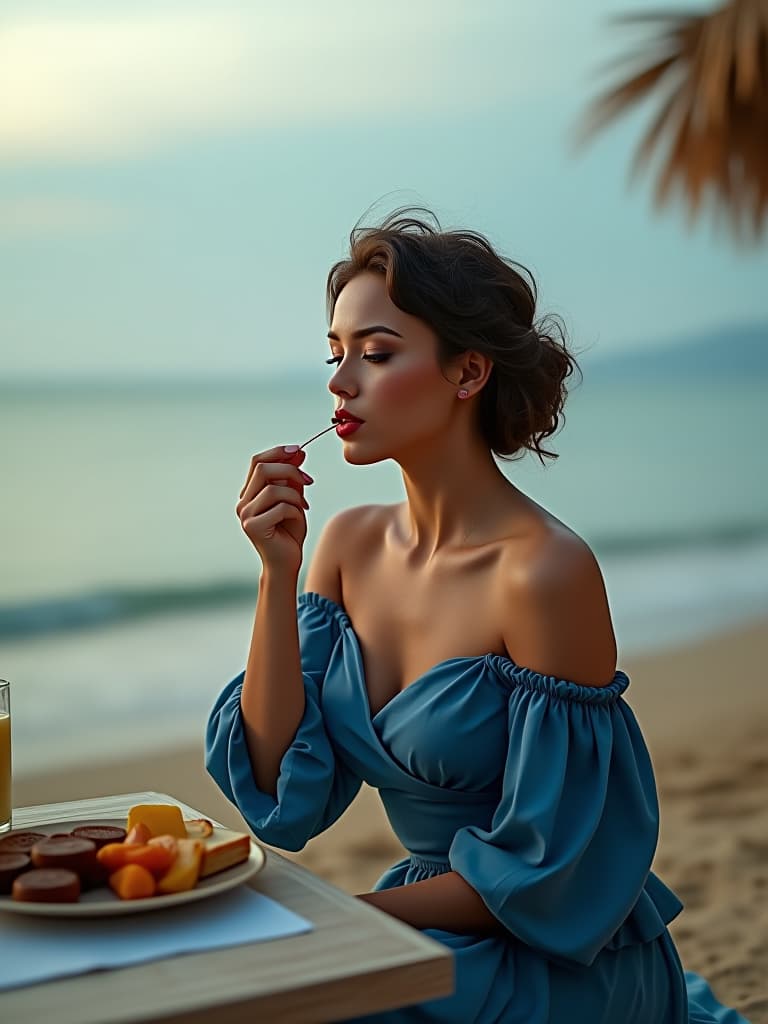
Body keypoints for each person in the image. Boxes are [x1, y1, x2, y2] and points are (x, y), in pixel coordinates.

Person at [206, 209, 746, 1023]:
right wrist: (276, 578)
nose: (340, 381)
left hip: (550, 953)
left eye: (377, 353)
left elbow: (557, 869)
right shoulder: (346, 546)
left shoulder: (544, 573)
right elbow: (285, 794)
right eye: (336, 353)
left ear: (467, 374)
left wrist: (337, 918)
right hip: (421, 922)